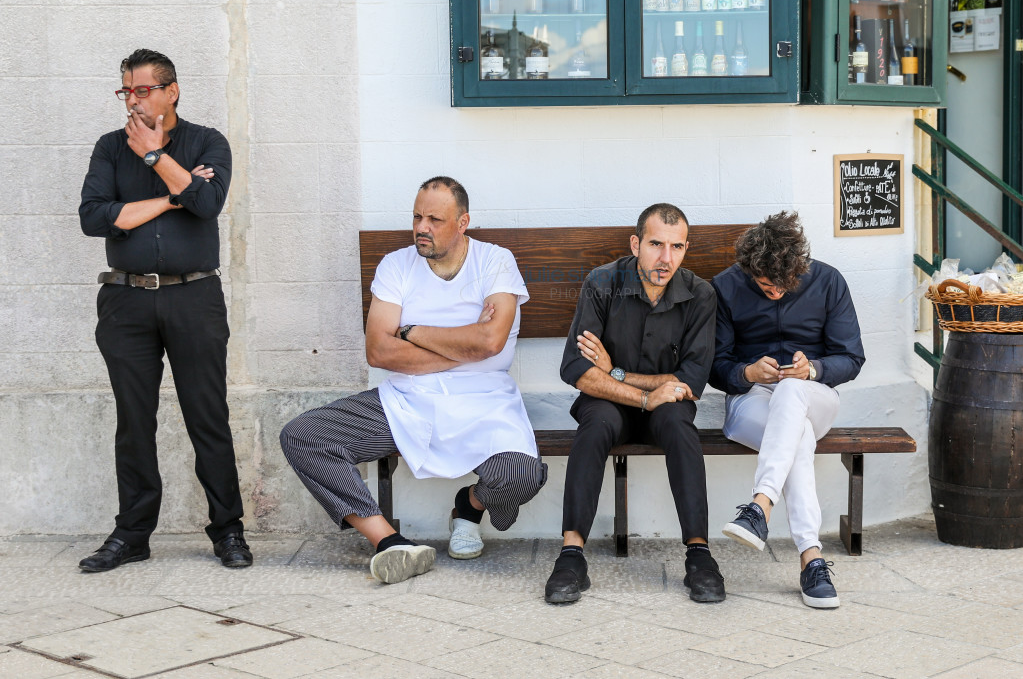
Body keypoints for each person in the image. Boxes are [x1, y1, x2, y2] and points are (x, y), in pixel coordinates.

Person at [280, 177, 547, 583]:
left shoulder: (495, 261)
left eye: (435, 219)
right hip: (406, 400)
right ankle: (389, 542)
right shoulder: (396, 265)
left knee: (521, 474)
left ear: (463, 223)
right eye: (417, 217)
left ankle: (470, 506)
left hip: (484, 401)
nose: (422, 227)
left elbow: (490, 342)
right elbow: (379, 353)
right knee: (304, 435)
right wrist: (463, 346)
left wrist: (412, 331)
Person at [78, 49, 251, 572]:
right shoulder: (109, 149)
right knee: (134, 423)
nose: (133, 100)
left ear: (171, 91)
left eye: (143, 90)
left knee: (208, 417)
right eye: (126, 91)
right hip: (126, 300)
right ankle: (132, 534)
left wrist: (157, 157)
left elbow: (209, 203)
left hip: (193, 297)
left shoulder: (208, 142)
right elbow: (94, 217)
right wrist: (175, 192)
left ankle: (228, 531)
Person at [545, 203, 722, 604]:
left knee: (680, 426)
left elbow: (691, 380)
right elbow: (575, 368)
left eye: (676, 247)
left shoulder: (700, 294)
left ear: (686, 248)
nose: (666, 258)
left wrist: (617, 373)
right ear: (635, 243)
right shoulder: (603, 282)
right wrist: (644, 394)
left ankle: (699, 556)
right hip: (610, 406)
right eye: (656, 244)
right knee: (594, 427)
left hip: (667, 406)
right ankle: (571, 556)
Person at [709, 211, 865, 609]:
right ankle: (811, 558)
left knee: (793, 391)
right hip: (751, 399)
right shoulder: (725, 288)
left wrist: (813, 369)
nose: (775, 292)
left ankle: (759, 506)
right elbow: (713, 365)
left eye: (785, 284)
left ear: (799, 268)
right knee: (798, 439)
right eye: (765, 285)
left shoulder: (828, 281)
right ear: (749, 269)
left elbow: (851, 357)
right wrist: (746, 371)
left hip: (814, 395)